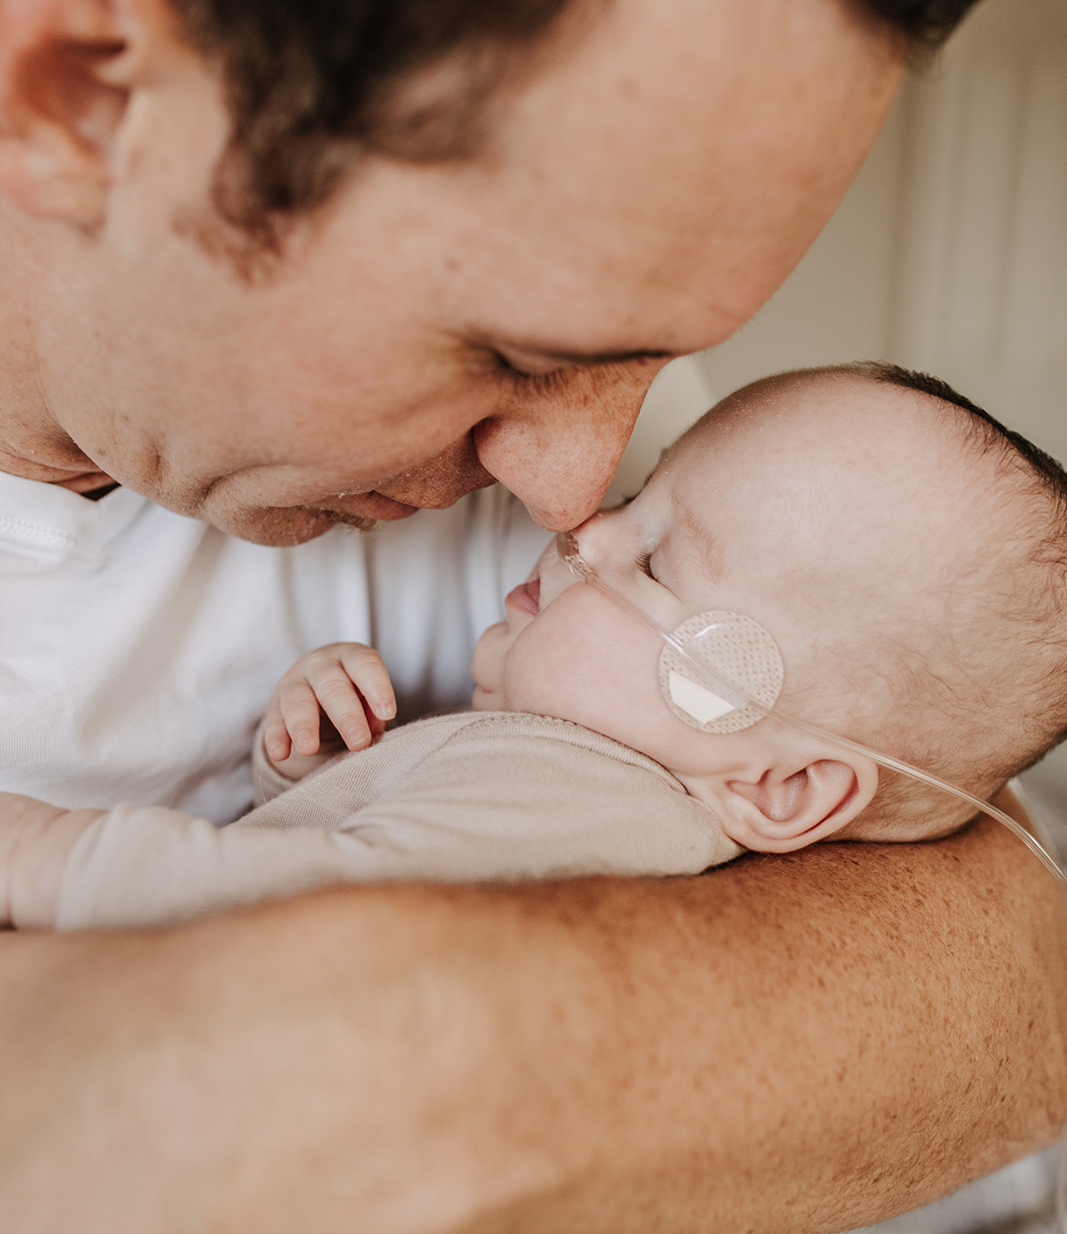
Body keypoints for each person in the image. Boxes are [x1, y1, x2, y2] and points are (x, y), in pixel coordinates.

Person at [2, 0, 1062, 1234]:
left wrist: (253, 1067)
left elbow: (1001, 959)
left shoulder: (630, 503)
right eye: (508, 352)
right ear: (72, 79)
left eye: (649, 359)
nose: (574, 495)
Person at [7, 363, 1067, 934]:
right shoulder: (583, 799)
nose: (582, 521)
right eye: (640, 503)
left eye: (653, 565)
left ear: (785, 786)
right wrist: (327, 782)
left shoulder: (574, 793)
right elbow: (397, 874)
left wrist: (39, 854)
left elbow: (286, 908)